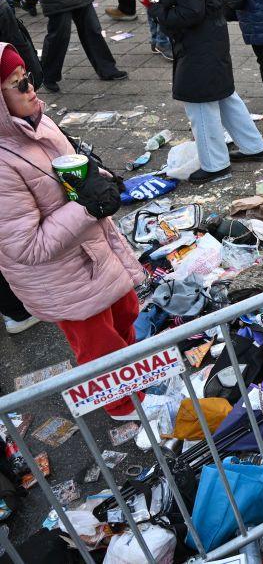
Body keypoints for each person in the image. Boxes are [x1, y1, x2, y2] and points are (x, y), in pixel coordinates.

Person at [0, 43, 144, 418]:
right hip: (61, 276)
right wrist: (87, 207)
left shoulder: (38, 121)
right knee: (99, 345)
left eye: (28, 78)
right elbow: (27, 246)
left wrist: (103, 179)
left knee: (127, 313)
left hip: (93, 253)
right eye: (18, 85)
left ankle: (136, 381)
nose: (31, 88)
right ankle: (122, 405)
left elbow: (69, 178)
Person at [149, 0, 263, 183]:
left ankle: (215, 165)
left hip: (197, 43)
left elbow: (190, 12)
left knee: (200, 105)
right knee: (225, 95)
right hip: (210, 39)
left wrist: (158, 10)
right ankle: (254, 146)